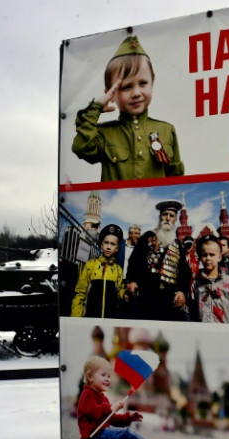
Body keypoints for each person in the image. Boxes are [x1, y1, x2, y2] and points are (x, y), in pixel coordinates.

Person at [71, 35, 184, 182]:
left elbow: (177, 180)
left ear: (152, 82)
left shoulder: (167, 130)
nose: (136, 93)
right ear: (111, 94)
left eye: (143, 83)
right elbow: (81, 147)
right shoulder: (103, 134)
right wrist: (96, 108)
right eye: (126, 87)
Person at [77, 355, 176, 439]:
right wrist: (110, 408)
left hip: (100, 435)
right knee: (127, 433)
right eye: (103, 375)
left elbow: (111, 419)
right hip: (93, 436)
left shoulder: (103, 397)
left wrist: (128, 417)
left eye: (109, 376)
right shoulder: (87, 395)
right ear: (90, 377)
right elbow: (94, 411)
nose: (107, 379)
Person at [125, 200, 191, 321]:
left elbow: (185, 272)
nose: (167, 218)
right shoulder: (147, 237)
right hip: (146, 297)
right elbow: (134, 262)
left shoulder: (178, 245)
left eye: (171, 216)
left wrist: (182, 291)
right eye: (165, 214)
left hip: (170, 301)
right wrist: (132, 280)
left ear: (175, 219)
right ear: (160, 216)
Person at [187, 234, 229, 324]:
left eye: (212, 255)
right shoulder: (196, 284)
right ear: (200, 257)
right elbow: (189, 313)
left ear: (219, 257)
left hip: (226, 335)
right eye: (204, 255)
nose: (208, 258)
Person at [71, 224, 125, 318]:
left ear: (117, 248)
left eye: (112, 244)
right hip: (91, 318)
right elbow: (80, 293)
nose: (108, 247)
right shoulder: (90, 265)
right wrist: (76, 318)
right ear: (101, 245)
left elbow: (120, 292)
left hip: (110, 320)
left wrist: (126, 294)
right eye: (106, 242)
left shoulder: (118, 270)